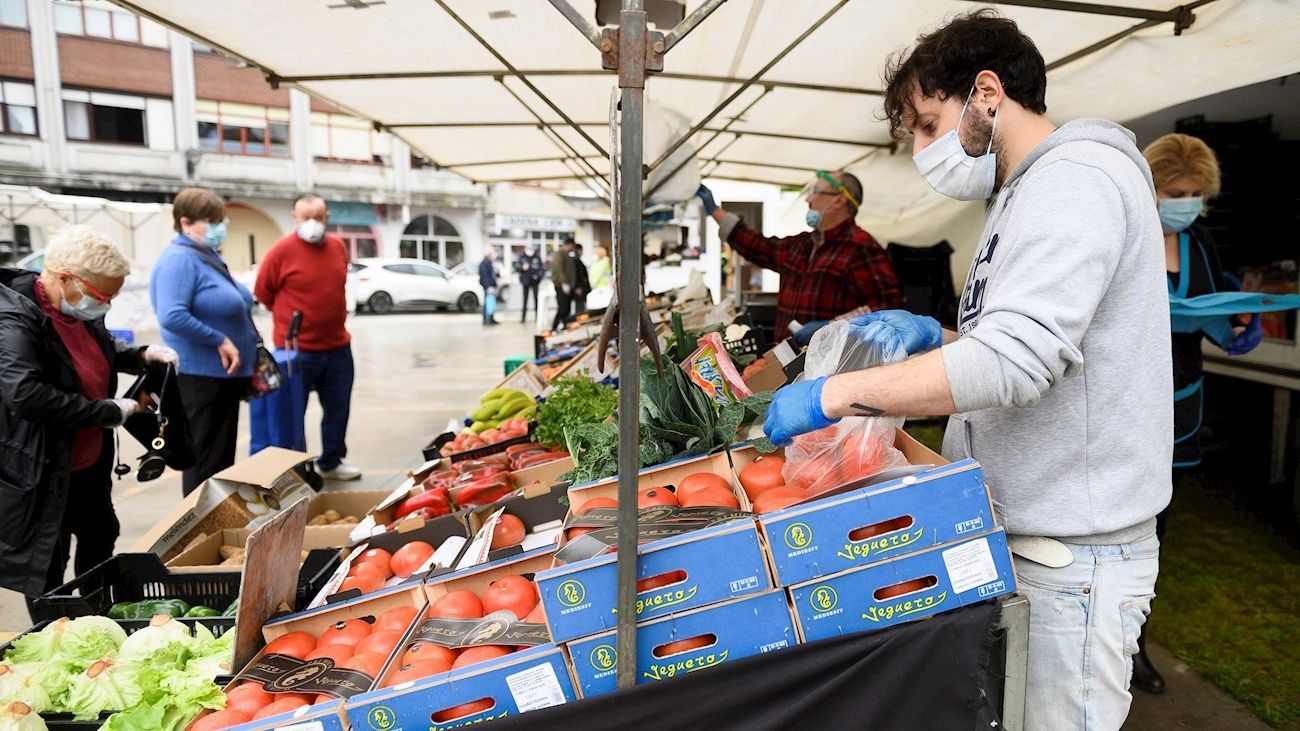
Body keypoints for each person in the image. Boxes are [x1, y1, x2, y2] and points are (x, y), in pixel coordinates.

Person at [763, 11, 1170, 729]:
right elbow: (1024, 344)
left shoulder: (1076, 180)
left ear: (986, 93)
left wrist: (838, 393)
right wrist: (940, 338)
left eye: (927, 125)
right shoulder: (1024, 192)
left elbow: (1016, 362)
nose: (923, 150)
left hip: (1069, 556)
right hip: (1025, 539)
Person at [1126, 133, 1260, 694]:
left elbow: (1216, 312)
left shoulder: (1201, 244)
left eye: (1194, 194)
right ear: (1149, 188)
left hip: (1180, 406)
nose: (1184, 204)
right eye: (1173, 193)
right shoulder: (1125, 234)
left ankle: (1135, 645)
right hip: (1123, 405)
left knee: (1155, 533)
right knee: (1113, 526)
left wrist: (1239, 324)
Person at [0, 226, 176, 614]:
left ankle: (98, 615)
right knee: (48, 560)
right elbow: (24, 394)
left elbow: (100, 347)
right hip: (42, 467)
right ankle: (53, 632)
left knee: (100, 536)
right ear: (65, 278)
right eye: (102, 297)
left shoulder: (75, 307)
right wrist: (109, 411)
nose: (106, 306)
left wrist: (140, 355)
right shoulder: (14, 318)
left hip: (89, 459)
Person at [695, 173, 901, 342]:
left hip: (830, 366)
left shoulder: (861, 247)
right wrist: (715, 211)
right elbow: (758, 246)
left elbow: (887, 306)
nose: (807, 200)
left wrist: (834, 326)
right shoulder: (802, 244)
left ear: (839, 200)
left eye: (815, 192)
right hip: (787, 356)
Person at [151, 187, 260, 495]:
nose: (220, 227)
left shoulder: (205, 255)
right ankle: (200, 520)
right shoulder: (179, 260)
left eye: (221, 220)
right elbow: (172, 315)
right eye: (212, 221)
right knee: (204, 462)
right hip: (200, 378)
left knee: (219, 459)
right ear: (186, 223)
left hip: (222, 377)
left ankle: (217, 517)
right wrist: (219, 340)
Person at [255, 193, 361, 481]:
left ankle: (332, 462)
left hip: (337, 346)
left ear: (327, 217)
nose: (312, 222)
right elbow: (263, 293)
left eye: (318, 217)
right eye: (306, 217)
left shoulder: (337, 246)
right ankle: (295, 469)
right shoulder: (281, 251)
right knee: (291, 414)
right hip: (296, 351)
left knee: (338, 408)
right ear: (295, 217)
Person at [549, 237, 576, 331]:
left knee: (567, 308)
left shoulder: (566, 254)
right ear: (569, 244)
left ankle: (565, 326)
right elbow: (559, 269)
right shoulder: (559, 254)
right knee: (563, 307)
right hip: (561, 285)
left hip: (567, 285)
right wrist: (564, 283)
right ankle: (554, 327)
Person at [516, 245, 544, 323]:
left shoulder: (537, 258)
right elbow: (517, 267)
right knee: (525, 300)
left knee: (536, 300)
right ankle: (523, 318)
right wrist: (522, 267)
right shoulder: (522, 257)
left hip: (535, 282)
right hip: (526, 282)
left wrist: (538, 275)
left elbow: (542, 269)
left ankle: (538, 317)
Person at [478, 247, 500, 326]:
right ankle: (486, 320)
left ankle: (491, 319)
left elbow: (492, 274)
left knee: (491, 303)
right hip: (488, 287)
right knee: (487, 304)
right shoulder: (484, 263)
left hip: (491, 286)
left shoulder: (489, 262)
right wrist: (487, 287)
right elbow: (484, 276)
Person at [570, 243, 590, 317]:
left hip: (581, 288)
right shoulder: (575, 261)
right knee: (579, 309)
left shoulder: (577, 260)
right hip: (579, 288)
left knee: (581, 308)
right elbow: (574, 275)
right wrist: (577, 287)